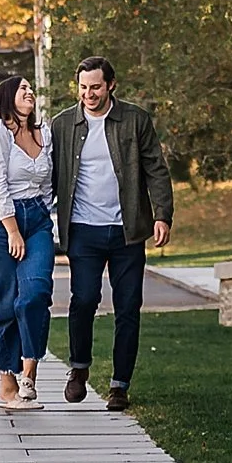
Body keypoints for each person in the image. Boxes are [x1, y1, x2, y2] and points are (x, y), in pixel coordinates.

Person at [52, 55, 174, 411]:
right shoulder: (63, 125)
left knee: (127, 308)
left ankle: (120, 385)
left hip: (128, 230)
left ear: (111, 85)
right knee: (84, 299)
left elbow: (156, 169)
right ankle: (78, 369)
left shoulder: (135, 120)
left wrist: (162, 215)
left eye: (95, 87)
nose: (88, 94)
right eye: (83, 88)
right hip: (83, 230)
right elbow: (44, 170)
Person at [0, 75, 55, 411]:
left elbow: (50, 184)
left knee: (36, 293)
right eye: (22, 89)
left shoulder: (44, 133)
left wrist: (48, 220)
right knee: (6, 301)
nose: (30, 92)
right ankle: (7, 382)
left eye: (30, 88)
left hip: (36, 219)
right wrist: (12, 230)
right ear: (7, 97)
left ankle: (30, 371)